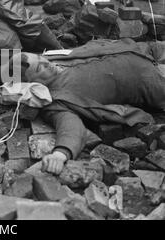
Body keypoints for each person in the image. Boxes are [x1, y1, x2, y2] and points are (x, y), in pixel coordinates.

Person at [11, 39, 165, 175]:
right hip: (152, 83)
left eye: (40, 58)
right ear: (34, 83)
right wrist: (60, 153)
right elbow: (70, 127)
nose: (46, 63)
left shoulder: (52, 57)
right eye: (40, 69)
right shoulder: (56, 98)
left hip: (139, 49)